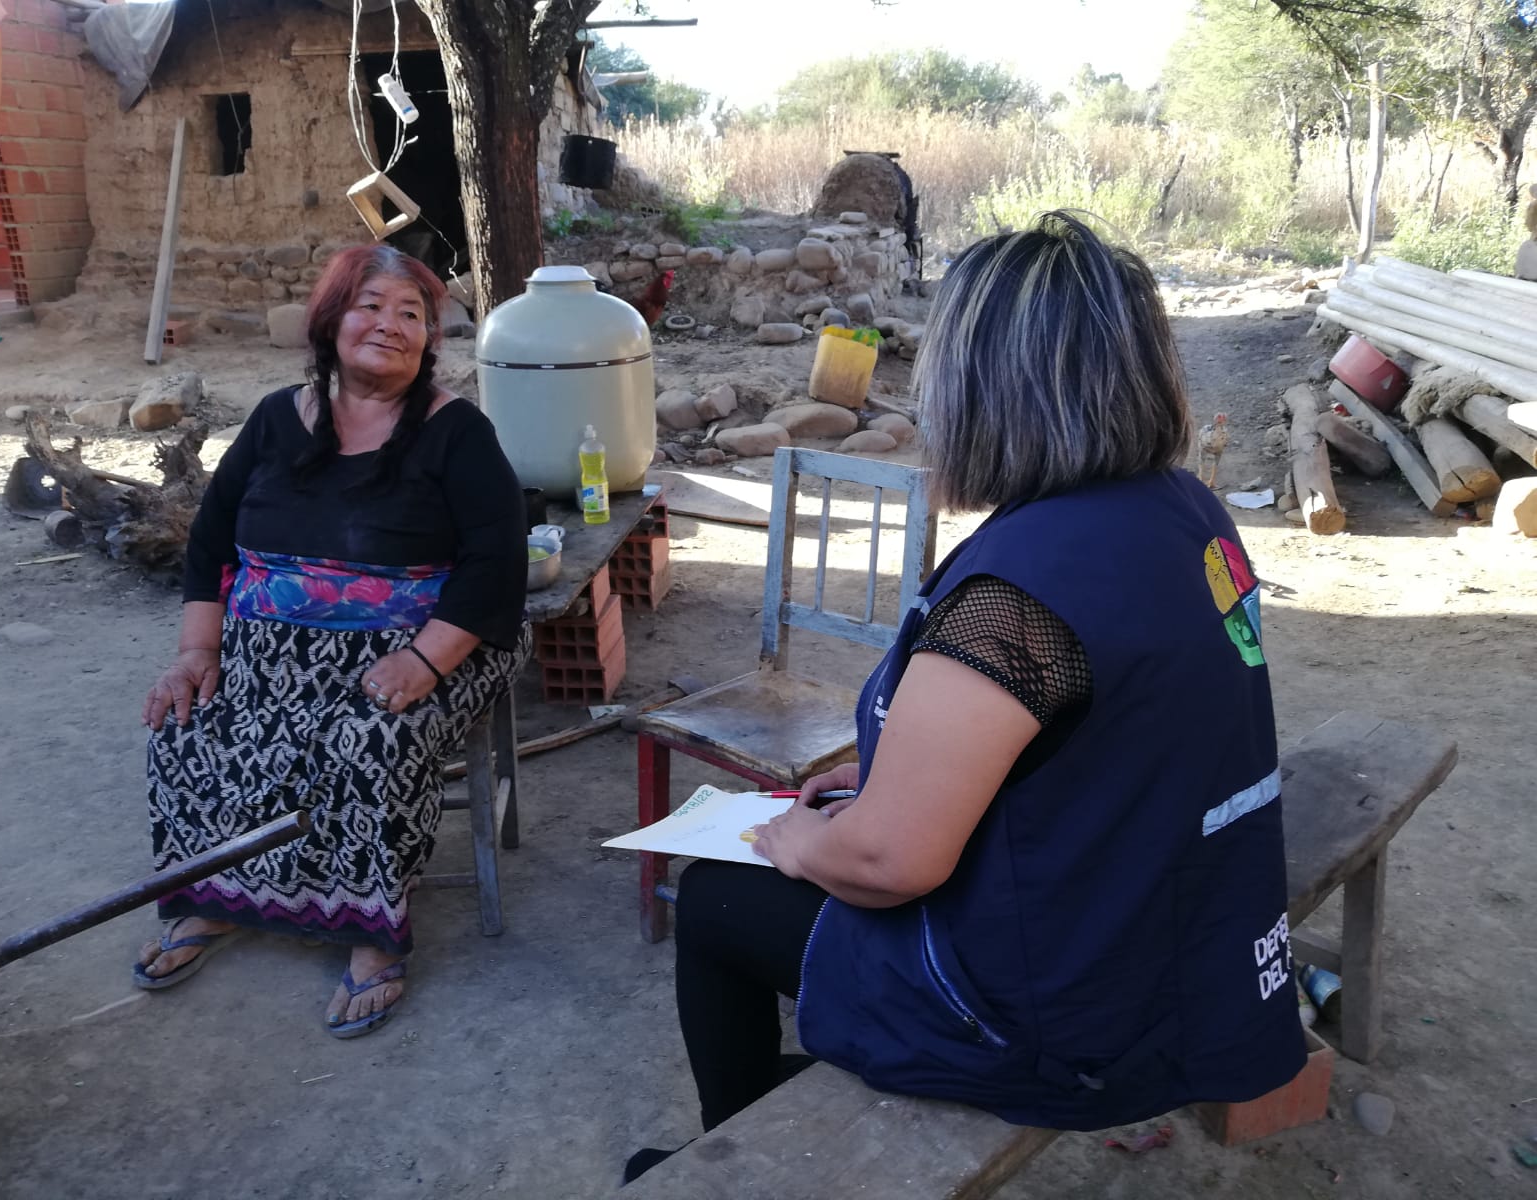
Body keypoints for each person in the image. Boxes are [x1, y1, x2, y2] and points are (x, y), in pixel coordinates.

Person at [628, 211, 1306, 1177]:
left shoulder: (1019, 592)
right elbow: (1116, 719)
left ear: (986, 390)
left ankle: (737, 1159)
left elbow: (892, 860)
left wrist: (804, 841)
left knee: (720, 902)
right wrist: (907, 759)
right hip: (1181, 939)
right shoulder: (1184, 513)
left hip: (1067, 1011)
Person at [135, 244, 531, 1038]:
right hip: (265, 654)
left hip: (427, 647)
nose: (389, 325)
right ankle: (218, 898)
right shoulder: (278, 418)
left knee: (365, 742)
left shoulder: (457, 431)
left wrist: (424, 660)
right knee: (188, 727)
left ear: (428, 340)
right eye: (370, 305)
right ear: (331, 321)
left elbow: (497, 565)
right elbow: (211, 541)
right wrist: (196, 653)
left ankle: (368, 931)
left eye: (411, 314)